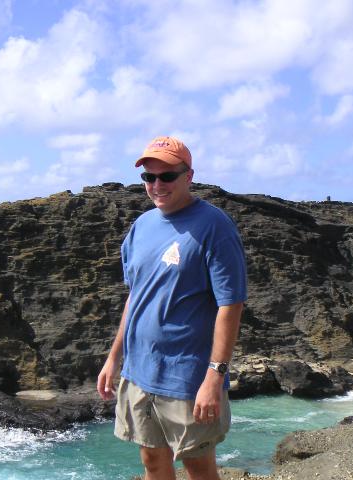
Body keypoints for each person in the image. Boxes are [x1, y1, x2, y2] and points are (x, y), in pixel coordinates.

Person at [97, 136, 247, 480]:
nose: (157, 185)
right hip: (139, 371)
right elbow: (136, 296)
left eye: (167, 176)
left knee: (198, 467)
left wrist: (214, 376)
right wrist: (114, 358)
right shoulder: (141, 226)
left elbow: (231, 304)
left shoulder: (214, 226)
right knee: (152, 461)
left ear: (188, 176)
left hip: (187, 377)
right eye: (149, 177)